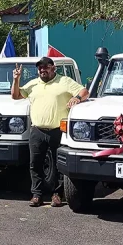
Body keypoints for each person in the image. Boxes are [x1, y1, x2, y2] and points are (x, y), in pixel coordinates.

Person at [12, 57, 89, 207]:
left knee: (59, 165)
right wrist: (16, 79)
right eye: (40, 68)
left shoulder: (64, 81)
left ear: (53, 68)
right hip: (37, 130)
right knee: (35, 164)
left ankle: (57, 194)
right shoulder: (33, 84)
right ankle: (37, 195)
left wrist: (77, 98)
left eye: (46, 67)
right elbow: (15, 96)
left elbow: (85, 91)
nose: (42, 70)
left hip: (58, 131)